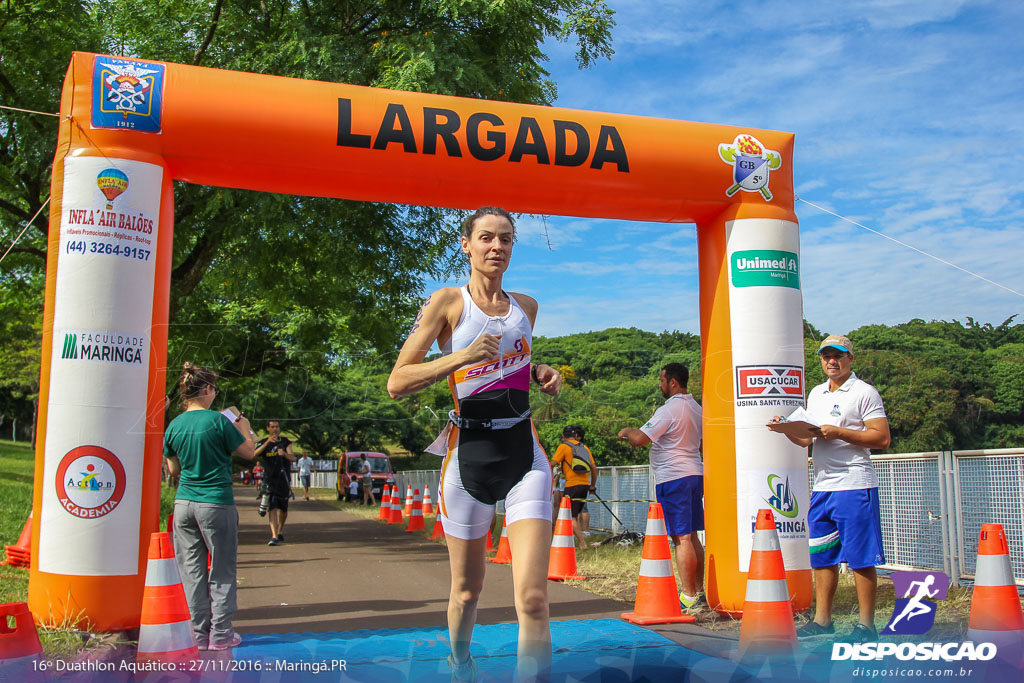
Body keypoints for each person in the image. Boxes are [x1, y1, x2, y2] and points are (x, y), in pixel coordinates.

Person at [387, 207, 562, 682]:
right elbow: (397, 381)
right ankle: (461, 663)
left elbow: (513, 363)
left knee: (532, 598)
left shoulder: (527, 306)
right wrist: (460, 356)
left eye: (505, 239)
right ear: (467, 244)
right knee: (466, 591)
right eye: (486, 238)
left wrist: (543, 373)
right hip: (468, 458)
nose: (496, 248)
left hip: (525, 455)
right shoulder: (448, 302)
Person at [769, 334, 890, 642]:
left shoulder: (864, 392)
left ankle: (867, 626)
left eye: (838, 355)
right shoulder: (817, 393)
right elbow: (808, 439)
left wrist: (840, 432)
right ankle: (823, 621)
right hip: (823, 486)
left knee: (860, 558)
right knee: (822, 555)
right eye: (826, 356)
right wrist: (786, 430)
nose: (831, 361)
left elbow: (881, 438)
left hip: (854, 483)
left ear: (850, 358)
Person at [162, 362, 255, 651]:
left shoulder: (174, 424)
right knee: (222, 570)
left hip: (184, 503)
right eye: (214, 389)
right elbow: (249, 452)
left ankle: (197, 635)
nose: (215, 394)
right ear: (206, 390)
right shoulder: (218, 421)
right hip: (215, 502)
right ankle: (222, 634)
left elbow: (173, 469)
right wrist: (245, 427)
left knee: (192, 571)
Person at [617, 362, 705, 610]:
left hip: (673, 477)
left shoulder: (668, 410)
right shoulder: (696, 408)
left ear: (673, 382)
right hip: (694, 474)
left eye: (661, 380)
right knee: (693, 536)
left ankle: (688, 595)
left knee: (682, 537)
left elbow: (639, 440)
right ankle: (698, 591)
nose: (660, 384)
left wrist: (626, 431)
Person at [550, 425, 596, 549]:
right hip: (585, 485)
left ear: (564, 436)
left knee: (571, 516)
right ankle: (572, 540)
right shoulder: (584, 447)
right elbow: (594, 468)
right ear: (576, 436)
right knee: (575, 514)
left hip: (571, 485)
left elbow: (552, 463)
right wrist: (592, 486)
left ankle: (582, 543)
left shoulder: (563, 446)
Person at [254, 420, 295, 546]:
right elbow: (254, 454)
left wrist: (284, 454)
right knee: (272, 506)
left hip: (283, 479)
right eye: (272, 427)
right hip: (269, 479)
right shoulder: (264, 442)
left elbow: (293, 457)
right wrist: (267, 442)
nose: (275, 429)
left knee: (283, 508)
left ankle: (280, 530)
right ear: (268, 428)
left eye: (277, 427)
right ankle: (274, 536)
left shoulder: (285, 441)